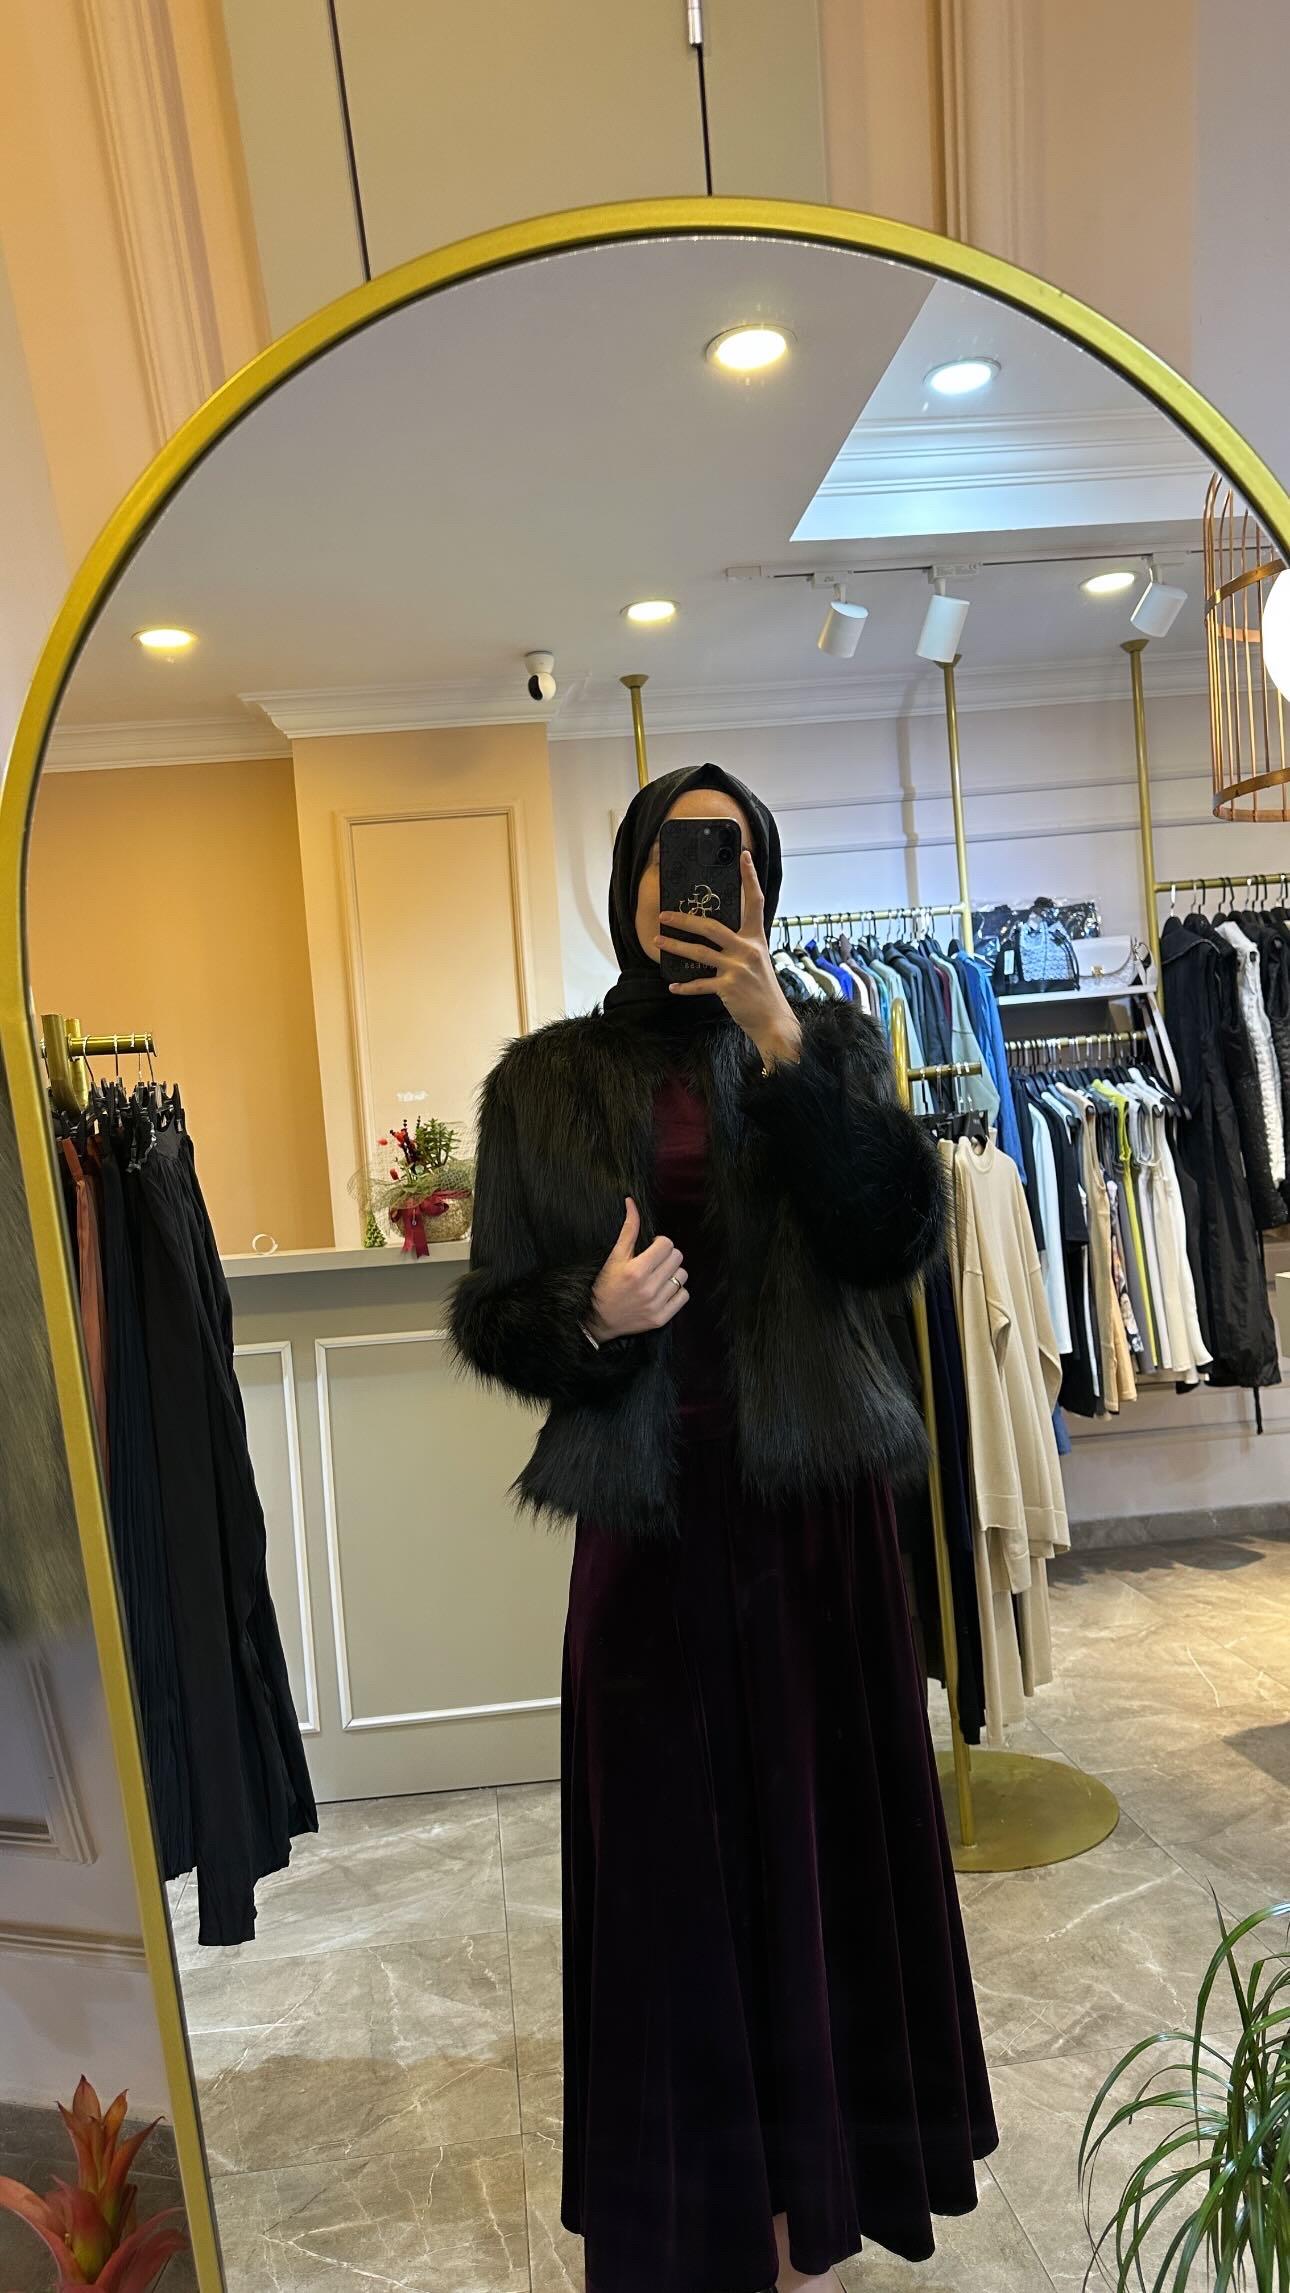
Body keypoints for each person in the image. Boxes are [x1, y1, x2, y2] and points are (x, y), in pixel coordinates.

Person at [450, 762, 997, 2293]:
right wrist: (592, 1313)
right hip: (647, 1548)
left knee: (818, 1871)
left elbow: (893, 1239)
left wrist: (783, 1047)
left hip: (814, 1539)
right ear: (629, 880)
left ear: (764, 884)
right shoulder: (542, 1080)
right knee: (668, 1890)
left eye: (733, 855)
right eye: (676, 856)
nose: (702, 882)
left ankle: (806, 2214)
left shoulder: (826, 1041)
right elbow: (492, 1311)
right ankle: (698, 2215)